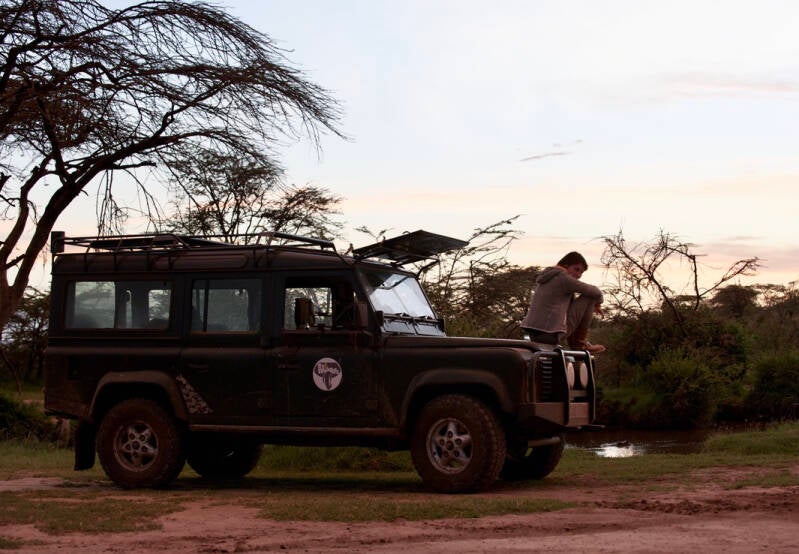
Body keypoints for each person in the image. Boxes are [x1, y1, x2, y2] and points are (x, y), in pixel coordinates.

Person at [521, 251, 606, 354]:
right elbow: (596, 292)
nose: (578, 275)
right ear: (565, 265)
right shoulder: (564, 278)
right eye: (576, 269)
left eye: (581, 273)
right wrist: (598, 303)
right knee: (590, 297)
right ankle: (580, 344)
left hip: (533, 333)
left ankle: (579, 343)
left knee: (577, 300)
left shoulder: (548, 276)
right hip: (550, 335)